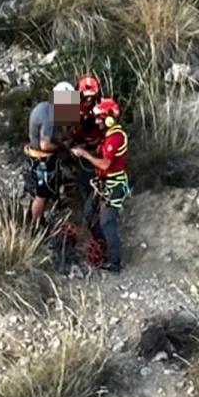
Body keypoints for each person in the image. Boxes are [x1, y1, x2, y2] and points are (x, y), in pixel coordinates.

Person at [70, 97, 130, 272]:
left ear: (109, 119)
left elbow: (105, 164)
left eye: (99, 118)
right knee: (89, 212)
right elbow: (98, 153)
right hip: (104, 183)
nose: (96, 121)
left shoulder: (116, 138)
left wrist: (85, 155)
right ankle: (101, 245)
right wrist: (84, 150)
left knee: (107, 221)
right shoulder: (108, 136)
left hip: (114, 184)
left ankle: (114, 261)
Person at [24, 81, 79, 228]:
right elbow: (45, 145)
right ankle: (35, 227)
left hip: (36, 155)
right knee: (42, 195)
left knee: (40, 192)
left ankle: (36, 218)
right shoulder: (49, 118)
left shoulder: (47, 107)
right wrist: (63, 147)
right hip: (41, 159)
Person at [70, 74, 105, 229]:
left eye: (93, 96)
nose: (89, 100)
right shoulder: (69, 103)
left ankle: (94, 216)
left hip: (97, 148)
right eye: (86, 96)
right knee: (86, 183)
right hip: (80, 150)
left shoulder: (101, 103)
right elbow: (61, 131)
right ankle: (89, 217)